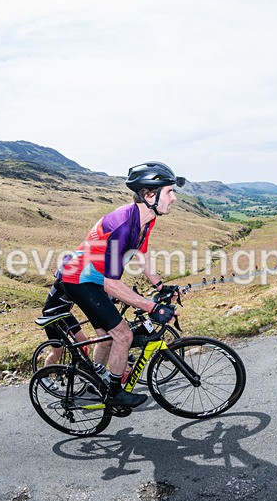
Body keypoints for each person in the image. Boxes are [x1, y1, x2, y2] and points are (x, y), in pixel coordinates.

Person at [60, 161, 182, 408]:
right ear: (150, 195)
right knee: (122, 335)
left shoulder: (146, 219)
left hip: (93, 278)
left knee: (106, 337)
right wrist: (151, 307)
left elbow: (141, 253)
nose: (174, 198)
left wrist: (160, 286)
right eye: (170, 191)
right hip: (79, 279)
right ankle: (114, 393)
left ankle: (94, 383)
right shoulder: (123, 225)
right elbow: (111, 284)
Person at [40, 254, 91, 368]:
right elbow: (82, 299)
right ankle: (44, 375)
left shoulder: (72, 281)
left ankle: (81, 367)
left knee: (82, 340)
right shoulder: (63, 284)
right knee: (57, 352)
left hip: (64, 314)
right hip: (52, 316)